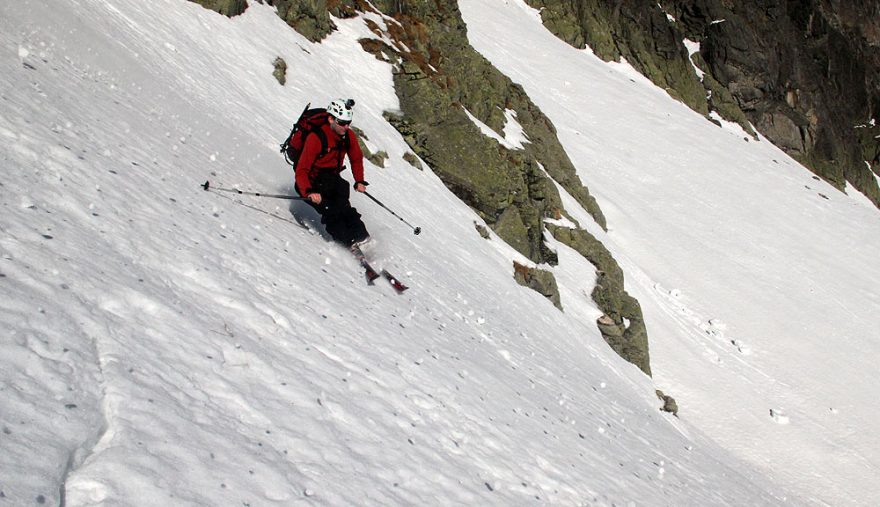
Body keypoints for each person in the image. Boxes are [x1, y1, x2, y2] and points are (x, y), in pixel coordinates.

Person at [295, 99, 370, 250]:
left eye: (348, 122)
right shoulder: (316, 138)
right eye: (342, 122)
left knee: (345, 207)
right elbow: (301, 170)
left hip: (332, 179)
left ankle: (363, 237)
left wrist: (359, 180)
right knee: (332, 211)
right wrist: (309, 192)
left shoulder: (348, 135)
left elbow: (356, 158)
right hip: (312, 182)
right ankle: (347, 243)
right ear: (331, 119)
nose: (346, 126)